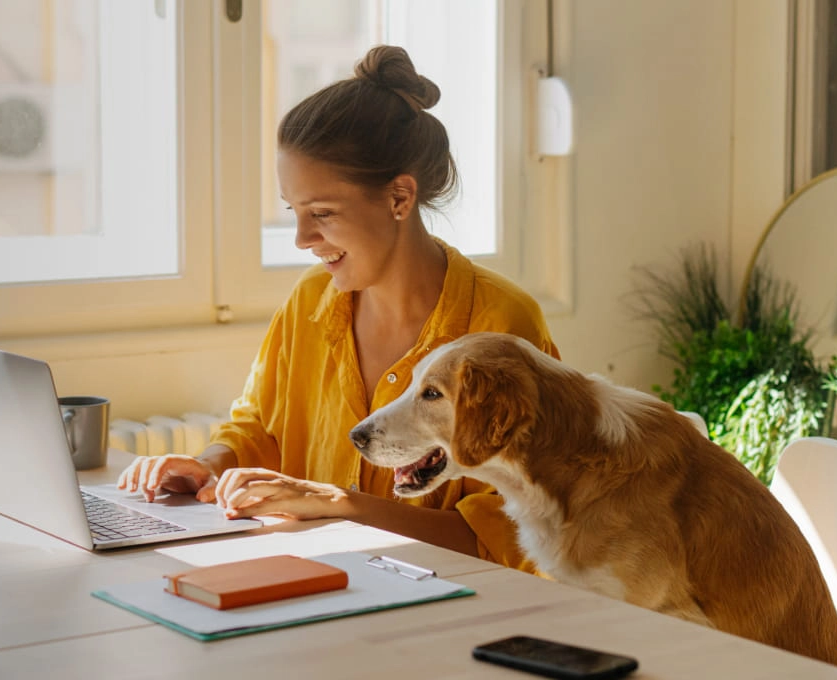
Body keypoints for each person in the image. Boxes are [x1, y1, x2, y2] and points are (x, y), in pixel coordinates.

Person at [117, 44, 557, 571]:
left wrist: (346, 509)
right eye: (294, 212)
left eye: (321, 212)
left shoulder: (502, 324)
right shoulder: (309, 301)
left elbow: (511, 536)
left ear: (399, 197)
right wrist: (208, 466)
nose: (302, 238)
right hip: (313, 583)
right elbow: (260, 429)